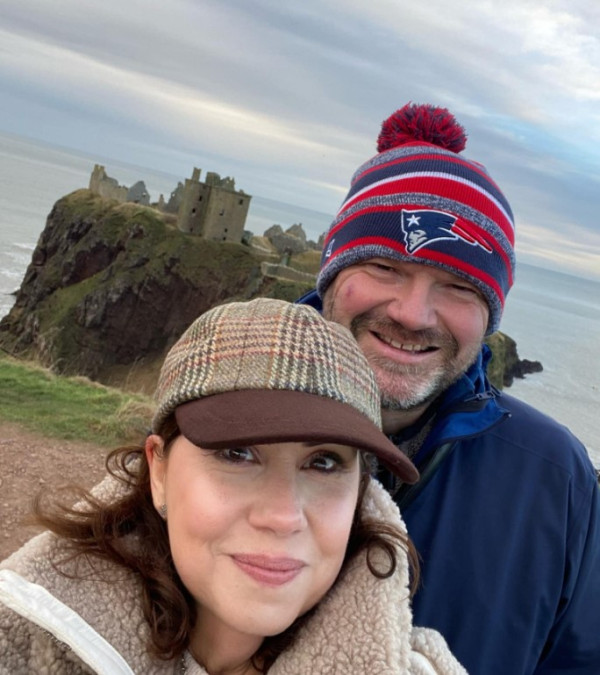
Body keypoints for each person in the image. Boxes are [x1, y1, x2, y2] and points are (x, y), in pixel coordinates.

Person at [0, 298, 467, 674]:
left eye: (323, 462)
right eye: (236, 453)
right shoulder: (27, 636)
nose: (282, 516)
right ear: (158, 471)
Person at [298, 103, 600, 674]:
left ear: (489, 318)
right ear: (333, 273)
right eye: (386, 267)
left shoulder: (555, 478)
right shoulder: (226, 413)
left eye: (460, 286)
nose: (414, 314)